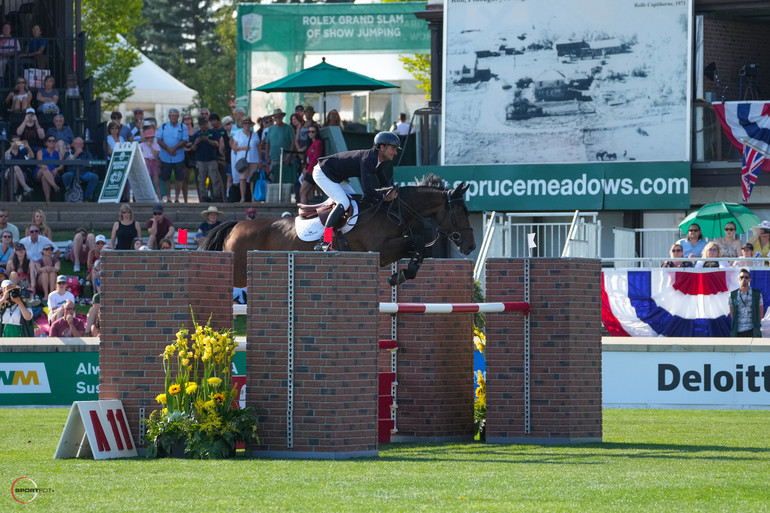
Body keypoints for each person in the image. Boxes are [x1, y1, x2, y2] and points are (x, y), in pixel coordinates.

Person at [312, 131, 400, 251]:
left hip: (338, 177)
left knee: (355, 202)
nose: (395, 152)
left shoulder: (379, 162)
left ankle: (340, 236)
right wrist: (384, 197)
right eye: (393, 148)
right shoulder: (369, 159)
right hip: (323, 173)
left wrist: (395, 192)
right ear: (382, 147)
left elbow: (385, 185)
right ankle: (324, 240)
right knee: (344, 202)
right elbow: (367, 190)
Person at [156, 108, 189, 203]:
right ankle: (169, 198)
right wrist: (168, 149)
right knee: (166, 178)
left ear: (178, 116)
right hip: (165, 157)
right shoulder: (163, 126)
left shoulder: (183, 127)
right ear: (169, 116)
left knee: (179, 178)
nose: (174, 117)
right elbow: (159, 140)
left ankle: (177, 198)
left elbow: (185, 140)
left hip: (178, 156)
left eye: (175, 115)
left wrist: (173, 148)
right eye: (172, 115)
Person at [191, 116, 223, 203]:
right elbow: (193, 148)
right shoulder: (196, 135)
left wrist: (207, 140)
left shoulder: (212, 132)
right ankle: (203, 196)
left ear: (207, 123)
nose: (203, 126)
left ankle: (216, 196)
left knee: (214, 179)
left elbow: (217, 144)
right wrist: (197, 142)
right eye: (201, 125)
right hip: (201, 160)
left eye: (204, 124)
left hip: (211, 159)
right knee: (201, 180)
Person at [264, 109, 295, 190]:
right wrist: (267, 156)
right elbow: (267, 143)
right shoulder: (270, 129)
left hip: (285, 158)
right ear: (273, 118)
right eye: (276, 117)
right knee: (272, 178)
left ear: (282, 117)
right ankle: (274, 198)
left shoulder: (288, 128)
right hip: (274, 158)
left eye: (279, 116)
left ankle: (284, 198)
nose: (278, 118)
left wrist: (289, 156)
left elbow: (293, 142)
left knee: (285, 178)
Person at [63, 137, 99, 202]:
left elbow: (91, 164)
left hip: (84, 173)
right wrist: (76, 154)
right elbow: (67, 163)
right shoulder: (68, 153)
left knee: (94, 177)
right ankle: (69, 194)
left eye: (80, 144)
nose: (78, 146)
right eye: (77, 144)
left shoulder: (87, 154)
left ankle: (86, 198)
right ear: (73, 145)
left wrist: (85, 163)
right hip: (72, 172)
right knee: (66, 175)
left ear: (83, 145)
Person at [729, 269, 764, 338]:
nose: (744, 279)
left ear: (749, 279)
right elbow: (732, 312)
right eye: (742, 277)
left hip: (753, 330)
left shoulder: (756, 294)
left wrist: (756, 324)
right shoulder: (733, 295)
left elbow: (761, 311)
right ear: (739, 279)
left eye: (746, 277)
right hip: (738, 331)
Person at [231, 117, 256, 202]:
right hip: (242, 158)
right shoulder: (238, 134)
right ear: (243, 125)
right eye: (245, 123)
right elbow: (234, 147)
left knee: (253, 179)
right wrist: (243, 148)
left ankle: (253, 197)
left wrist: (259, 160)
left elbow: (258, 147)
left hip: (253, 158)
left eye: (249, 123)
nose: (247, 125)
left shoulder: (254, 134)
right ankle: (242, 197)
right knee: (242, 178)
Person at [3, 136, 33, 201]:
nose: (16, 143)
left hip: (21, 173)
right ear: (11, 142)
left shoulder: (23, 150)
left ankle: (14, 195)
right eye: (14, 141)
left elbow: (31, 156)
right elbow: (5, 157)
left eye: (18, 142)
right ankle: (25, 187)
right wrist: (11, 147)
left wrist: (28, 147)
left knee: (14, 175)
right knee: (15, 167)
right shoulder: (8, 151)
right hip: (6, 172)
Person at [300, 124, 323, 204]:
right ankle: (307, 213)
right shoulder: (310, 144)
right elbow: (308, 159)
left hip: (313, 171)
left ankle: (303, 213)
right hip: (309, 170)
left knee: (302, 191)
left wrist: (307, 172)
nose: (310, 133)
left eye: (313, 132)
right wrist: (305, 168)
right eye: (309, 132)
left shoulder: (318, 143)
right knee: (307, 193)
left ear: (316, 133)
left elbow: (315, 159)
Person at [34, 135, 62, 202]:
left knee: (44, 177)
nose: (51, 142)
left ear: (55, 142)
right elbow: (39, 163)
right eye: (49, 141)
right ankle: (55, 186)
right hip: (40, 172)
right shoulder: (40, 152)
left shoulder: (59, 154)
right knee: (44, 170)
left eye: (53, 141)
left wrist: (56, 169)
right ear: (46, 143)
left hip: (54, 173)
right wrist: (43, 166)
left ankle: (48, 201)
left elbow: (62, 166)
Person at [140, 125, 162, 201]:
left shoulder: (156, 145)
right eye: (148, 137)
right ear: (146, 138)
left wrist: (150, 147)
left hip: (153, 162)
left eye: (152, 137)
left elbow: (156, 155)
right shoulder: (142, 145)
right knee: (145, 181)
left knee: (156, 182)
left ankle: (160, 199)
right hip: (145, 162)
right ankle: (145, 198)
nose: (150, 139)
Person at [181, 113, 197, 203]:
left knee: (199, 178)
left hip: (195, 154)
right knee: (185, 178)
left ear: (191, 120)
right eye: (185, 119)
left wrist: (190, 145)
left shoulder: (195, 130)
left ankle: (202, 198)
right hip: (185, 155)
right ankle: (185, 200)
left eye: (188, 118)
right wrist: (187, 147)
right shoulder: (181, 131)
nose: (187, 120)